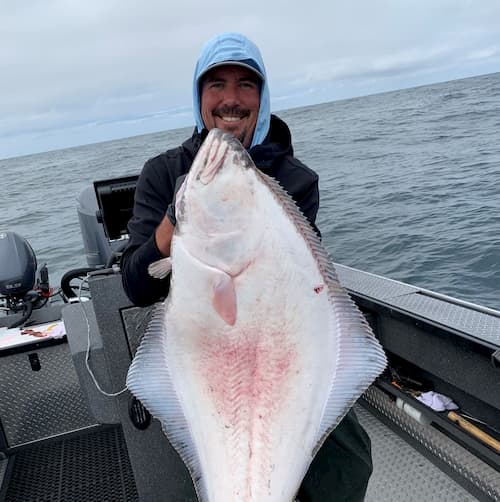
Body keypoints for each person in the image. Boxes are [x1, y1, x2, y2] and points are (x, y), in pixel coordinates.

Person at [121, 32, 373, 501]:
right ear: (198, 95)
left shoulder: (295, 178)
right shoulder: (161, 172)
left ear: (262, 97)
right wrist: (172, 226)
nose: (230, 99)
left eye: (246, 85)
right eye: (215, 84)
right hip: (205, 347)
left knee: (349, 460)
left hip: (279, 344)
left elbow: (301, 272)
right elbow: (135, 284)